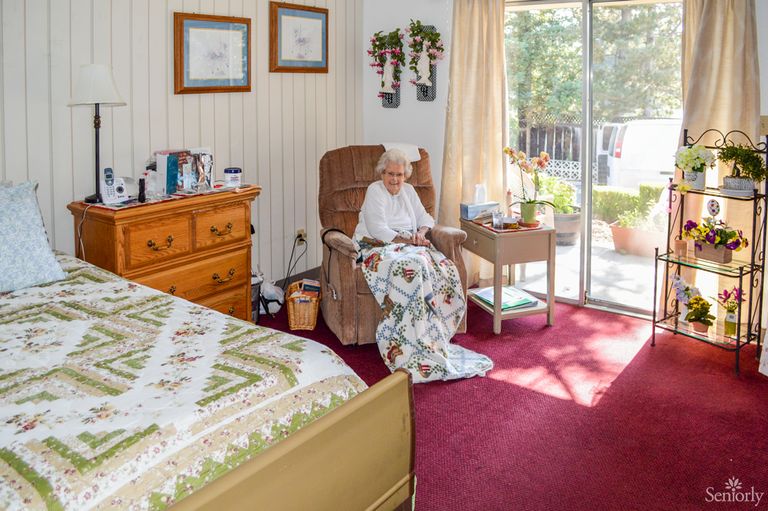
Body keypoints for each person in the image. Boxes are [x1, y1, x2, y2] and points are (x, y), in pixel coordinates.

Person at [354, 148, 493, 383]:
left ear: (406, 175)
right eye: (390, 174)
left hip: (409, 246)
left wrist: (420, 233)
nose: (395, 180)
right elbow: (378, 229)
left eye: (399, 174)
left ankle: (429, 337)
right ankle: (407, 342)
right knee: (417, 263)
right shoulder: (374, 191)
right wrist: (410, 240)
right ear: (382, 173)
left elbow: (426, 218)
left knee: (441, 265)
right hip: (377, 247)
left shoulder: (408, 191)